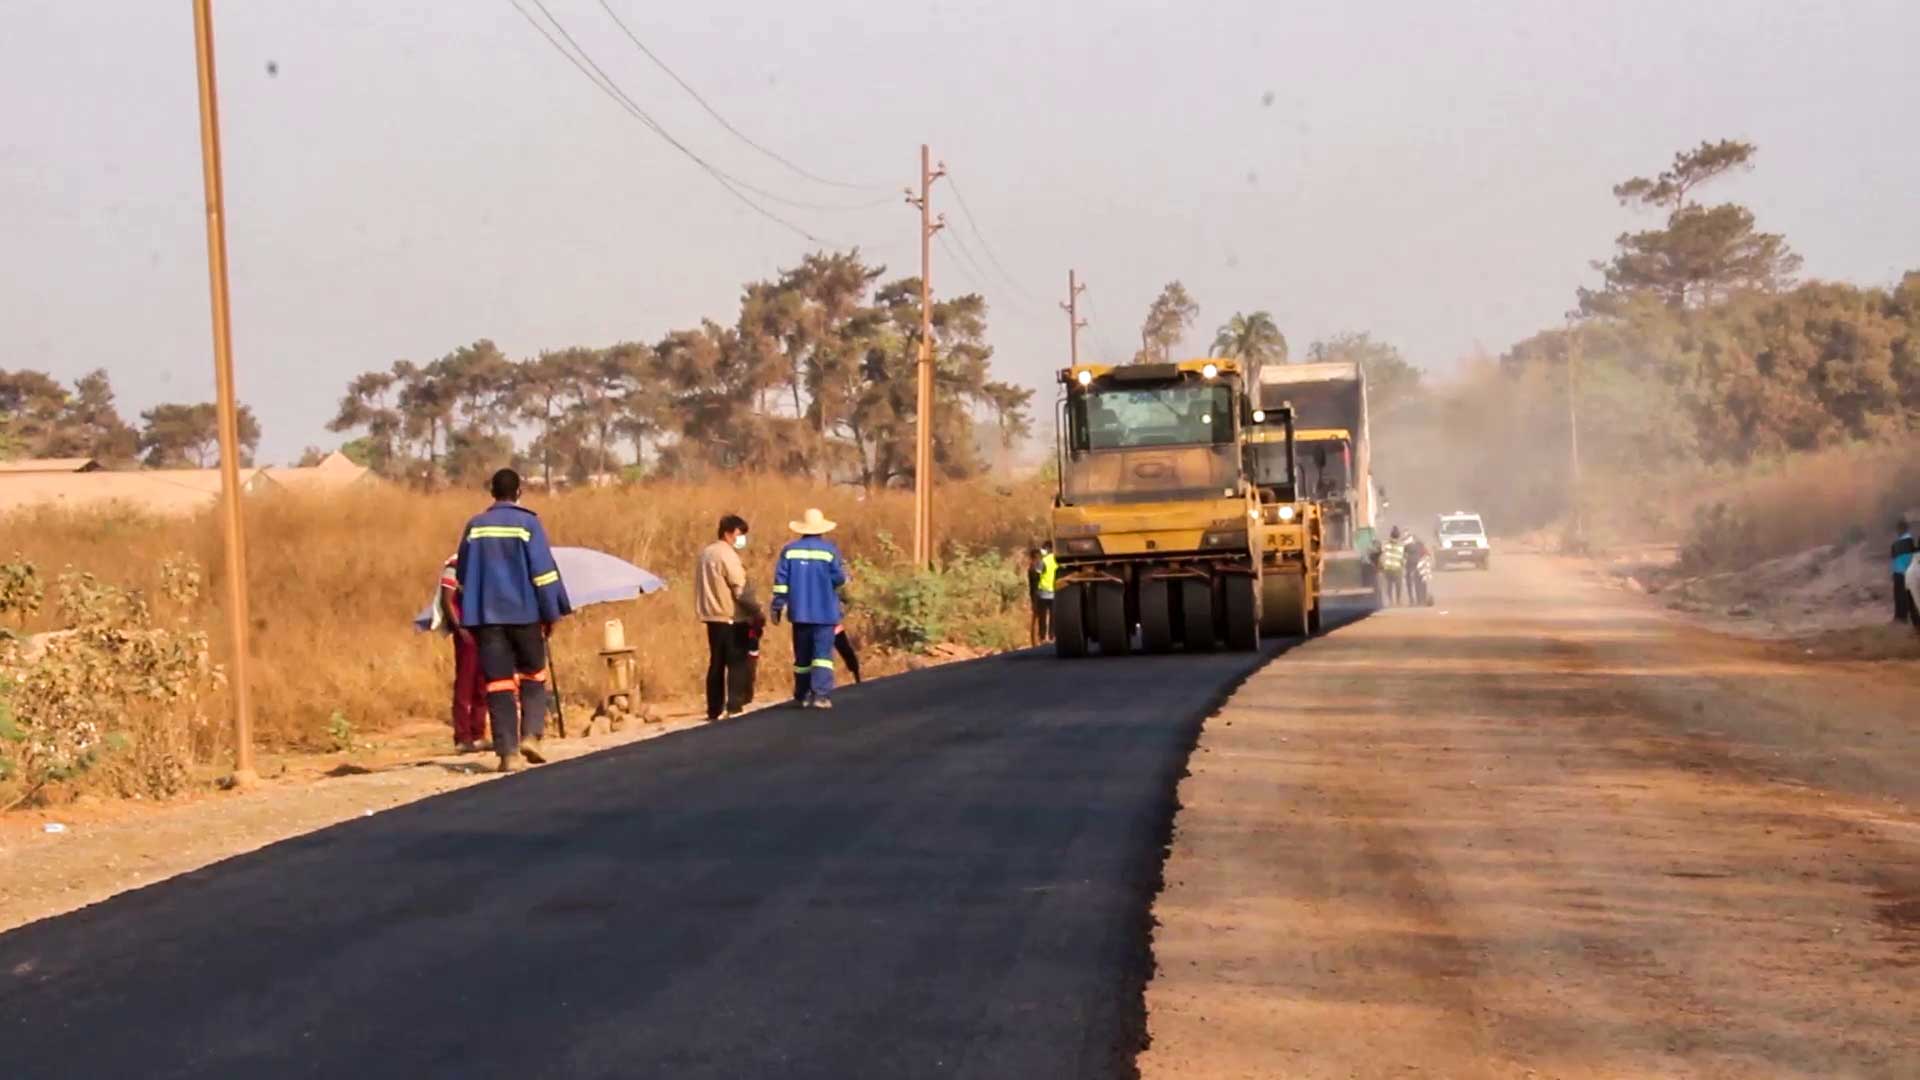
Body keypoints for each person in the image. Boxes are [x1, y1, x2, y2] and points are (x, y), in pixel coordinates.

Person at [456, 468, 572, 773]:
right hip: (525, 615)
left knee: (498, 684)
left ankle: (507, 753)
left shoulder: (475, 527)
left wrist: (471, 616)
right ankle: (531, 735)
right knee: (533, 675)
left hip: (487, 620)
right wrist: (552, 612)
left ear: (492, 493)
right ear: (518, 492)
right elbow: (544, 574)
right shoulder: (527, 523)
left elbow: (463, 574)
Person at [770, 507, 849, 710]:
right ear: (822, 529)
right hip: (825, 612)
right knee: (822, 655)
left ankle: (802, 694)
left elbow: (781, 582)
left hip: (800, 612)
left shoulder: (789, 550)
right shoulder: (829, 551)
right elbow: (839, 578)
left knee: (802, 657)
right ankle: (821, 695)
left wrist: (778, 606)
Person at [697, 514, 759, 722]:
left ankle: (714, 709)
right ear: (728, 533)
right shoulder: (727, 555)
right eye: (739, 534)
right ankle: (734, 705)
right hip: (731, 616)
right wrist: (755, 610)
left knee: (716, 663)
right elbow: (739, 588)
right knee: (737, 661)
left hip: (711, 616)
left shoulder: (706, 553)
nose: (741, 538)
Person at [436, 553, 489, 753]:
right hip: (466, 630)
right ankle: (462, 736)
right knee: (465, 683)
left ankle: (478, 733)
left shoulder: (485, 563)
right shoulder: (455, 565)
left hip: (485, 628)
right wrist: (461, 629)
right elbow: (447, 601)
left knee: (482, 683)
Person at [1892, 519, 1916, 624]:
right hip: (1906, 572)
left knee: (1903, 597)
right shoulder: (1910, 542)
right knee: (1909, 597)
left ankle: (1901, 618)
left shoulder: (1897, 544)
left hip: (1901, 573)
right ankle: (1907, 618)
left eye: (1898, 529)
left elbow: (1896, 561)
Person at [1377, 526, 1406, 606]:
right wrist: (1403, 565)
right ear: (1398, 536)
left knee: (1389, 586)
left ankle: (1391, 601)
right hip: (1397, 568)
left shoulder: (1385, 544)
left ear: (1391, 535)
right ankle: (1398, 601)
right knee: (1398, 585)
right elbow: (1403, 558)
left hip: (1387, 568)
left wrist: (1380, 566)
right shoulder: (1401, 546)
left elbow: (1381, 555)